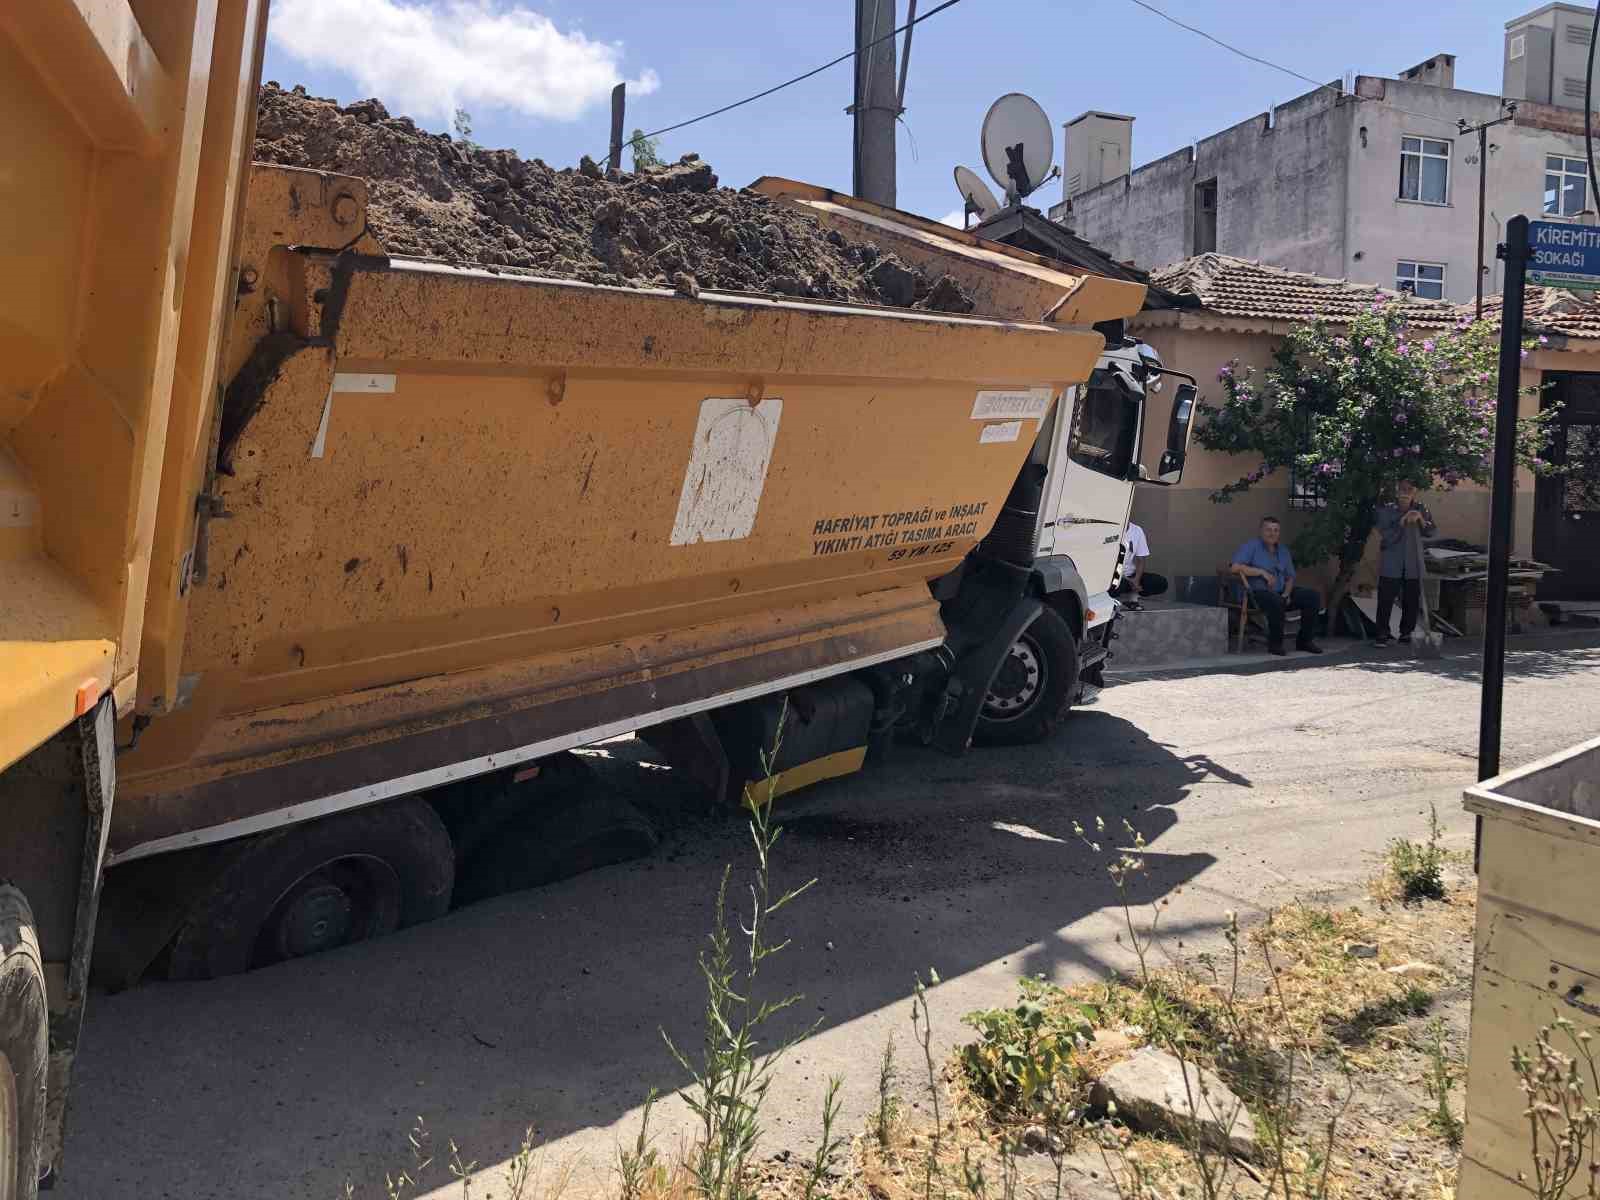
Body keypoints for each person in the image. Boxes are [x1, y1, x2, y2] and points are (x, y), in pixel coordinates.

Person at [1231, 516, 1323, 656]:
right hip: (1256, 594)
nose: (1272, 533)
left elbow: (1290, 576)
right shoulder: (1252, 546)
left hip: (1281, 592)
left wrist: (1286, 594)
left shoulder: (1283, 550)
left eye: (1276, 530)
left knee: (1312, 596)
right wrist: (1261, 572)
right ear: (1261, 531)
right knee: (1276, 600)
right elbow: (1235, 567)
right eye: (1268, 529)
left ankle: (1305, 641)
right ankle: (1275, 644)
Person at [1373, 479, 1437, 648]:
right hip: (1391, 561)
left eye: (1409, 489)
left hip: (1413, 562)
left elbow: (1431, 532)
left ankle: (1406, 633)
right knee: (1385, 599)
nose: (1405, 492)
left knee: (1412, 600)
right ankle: (1382, 634)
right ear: (1396, 491)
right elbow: (1386, 535)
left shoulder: (1422, 508)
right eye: (1402, 489)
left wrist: (1421, 519)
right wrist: (1402, 521)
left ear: (1414, 491)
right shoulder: (1386, 509)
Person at [1115, 521, 1169, 610]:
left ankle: (1133, 599)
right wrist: (1128, 580)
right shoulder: (1109, 529)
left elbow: (1141, 559)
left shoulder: (1137, 530)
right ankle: (1113, 602)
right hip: (1113, 577)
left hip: (1130, 574)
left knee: (1160, 583)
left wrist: (1136, 580)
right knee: (1116, 586)